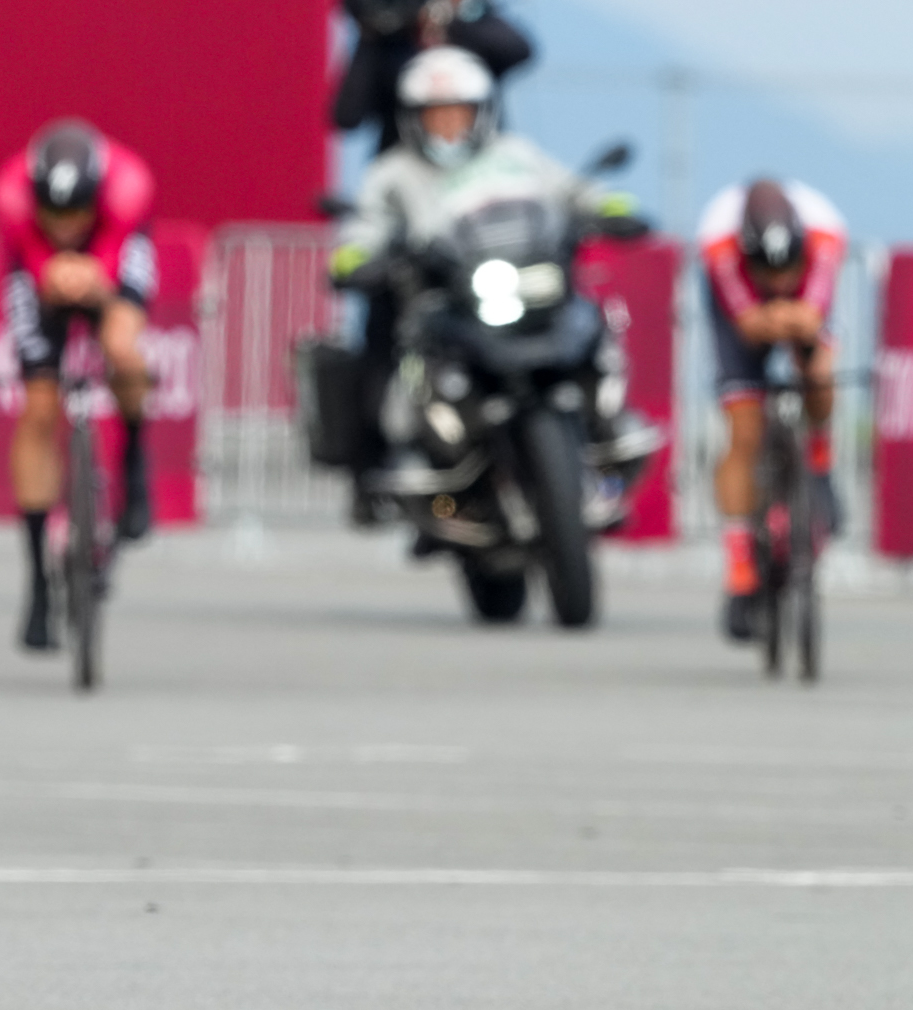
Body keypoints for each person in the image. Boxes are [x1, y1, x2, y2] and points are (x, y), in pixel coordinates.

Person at [331, 48, 623, 512]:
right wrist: (353, 259)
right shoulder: (395, 172)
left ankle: (606, 432)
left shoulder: (515, 154)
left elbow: (573, 192)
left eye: (458, 112)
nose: (448, 124)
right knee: (405, 377)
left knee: (593, 326)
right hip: (451, 303)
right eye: (435, 115)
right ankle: (420, 462)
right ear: (412, 119)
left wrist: (610, 208)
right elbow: (364, 228)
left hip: (528, 290)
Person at [0, 119, 157, 652]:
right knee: (39, 404)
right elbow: (38, 261)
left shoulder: (129, 187)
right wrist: (52, 271)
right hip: (34, 263)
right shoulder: (11, 198)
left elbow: (112, 263)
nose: (64, 226)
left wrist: (96, 279)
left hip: (113, 249)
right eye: (53, 214)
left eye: (74, 214)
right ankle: (38, 582)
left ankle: (134, 460)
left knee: (123, 349)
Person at [695, 178, 846, 641]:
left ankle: (818, 463)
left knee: (818, 372)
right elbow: (747, 322)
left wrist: (799, 325)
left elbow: (811, 316)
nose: (779, 283)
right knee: (744, 429)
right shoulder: (719, 241)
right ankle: (741, 575)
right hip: (739, 308)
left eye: (788, 271)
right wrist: (773, 315)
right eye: (769, 273)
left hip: (805, 299)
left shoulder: (825, 232)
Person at [332, 0, 533, 154]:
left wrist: (451, 15)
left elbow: (519, 50)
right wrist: (375, 29)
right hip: (409, 177)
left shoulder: (471, 31)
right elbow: (347, 116)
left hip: (477, 171)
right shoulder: (388, 46)